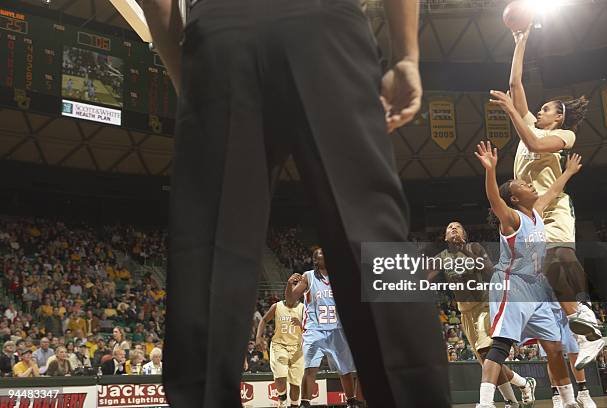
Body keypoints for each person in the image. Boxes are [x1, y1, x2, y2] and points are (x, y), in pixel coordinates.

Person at [143, 0, 449, 406]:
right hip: (328, 25)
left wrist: (189, 71)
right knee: (373, 241)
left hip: (223, 29)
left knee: (209, 247)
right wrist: (407, 55)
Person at [491, 25, 603, 370]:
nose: (537, 113)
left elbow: (538, 144)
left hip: (553, 208)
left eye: (545, 110)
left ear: (559, 116)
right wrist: (520, 40)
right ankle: (583, 325)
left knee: (555, 256)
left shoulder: (564, 135)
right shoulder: (531, 126)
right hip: (530, 213)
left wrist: (512, 113)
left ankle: (585, 322)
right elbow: (515, 85)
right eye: (537, 110)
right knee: (540, 272)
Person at [474, 141, 583, 408]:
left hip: (537, 289)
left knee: (555, 348)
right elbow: (493, 199)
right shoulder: (511, 219)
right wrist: (490, 170)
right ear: (514, 198)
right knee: (500, 346)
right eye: (522, 185)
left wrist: (568, 172)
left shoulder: (536, 211)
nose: (529, 184)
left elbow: (554, 190)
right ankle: (485, 404)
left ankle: (569, 402)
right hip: (513, 285)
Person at [428, 221, 535, 407]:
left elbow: (490, 272)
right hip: (464, 312)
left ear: (465, 234)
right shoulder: (442, 257)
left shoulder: (474, 248)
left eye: (458, 227)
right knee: (487, 362)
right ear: (445, 237)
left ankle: (489, 402)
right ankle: (520, 389)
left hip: (484, 306)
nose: (453, 229)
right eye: (449, 228)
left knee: (487, 352)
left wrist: (467, 253)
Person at [286, 248, 364, 408]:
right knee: (310, 369)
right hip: (314, 330)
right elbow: (291, 299)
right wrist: (289, 285)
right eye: (318, 257)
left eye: (322, 257)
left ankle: (351, 401)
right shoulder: (308, 277)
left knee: (345, 370)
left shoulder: (341, 277)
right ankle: (305, 403)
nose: (318, 260)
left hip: (337, 330)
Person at [256, 285, 305, 408]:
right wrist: (258, 337)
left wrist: (301, 324)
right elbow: (264, 320)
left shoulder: (304, 308)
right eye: (288, 291)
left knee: (295, 384)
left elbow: (312, 330)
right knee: (280, 375)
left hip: (297, 348)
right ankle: (282, 400)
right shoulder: (277, 306)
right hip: (279, 345)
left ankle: (294, 405)